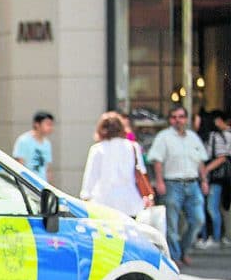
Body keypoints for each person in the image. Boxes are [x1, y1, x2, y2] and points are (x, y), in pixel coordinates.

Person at [148, 105, 209, 265]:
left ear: (186, 119)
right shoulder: (164, 137)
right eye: (174, 117)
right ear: (170, 120)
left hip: (193, 183)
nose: (178, 120)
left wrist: (204, 181)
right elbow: (157, 161)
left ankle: (184, 249)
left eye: (181, 116)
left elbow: (200, 161)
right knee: (172, 223)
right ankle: (175, 256)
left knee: (198, 220)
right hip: (172, 184)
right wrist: (159, 181)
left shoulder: (193, 138)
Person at [80, 112, 152, 218]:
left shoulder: (98, 149)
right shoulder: (133, 147)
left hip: (104, 202)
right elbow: (141, 171)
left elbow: (91, 176)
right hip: (130, 201)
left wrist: (85, 196)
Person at [202, 111, 230, 248]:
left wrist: (206, 170)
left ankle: (215, 237)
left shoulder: (214, 136)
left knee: (212, 207)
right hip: (213, 178)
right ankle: (211, 236)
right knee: (211, 207)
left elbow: (222, 157)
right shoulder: (213, 136)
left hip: (215, 178)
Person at [13, 111, 55, 183]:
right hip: (27, 184)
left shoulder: (47, 143)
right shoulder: (24, 140)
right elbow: (19, 164)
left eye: (51, 125)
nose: (50, 128)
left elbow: (47, 168)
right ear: (37, 124)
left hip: (42, 186)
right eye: (48, 124)